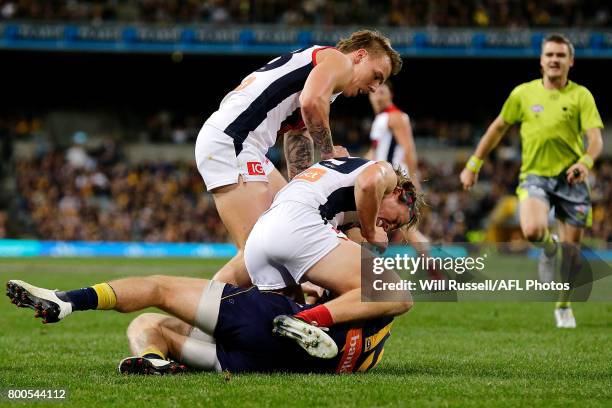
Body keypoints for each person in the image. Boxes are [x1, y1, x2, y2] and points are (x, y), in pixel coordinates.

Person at [196, 30, 403, 287]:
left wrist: (308, 187)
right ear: (360, 56)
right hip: (234, 140)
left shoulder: (322, 73)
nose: (374, 87)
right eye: (376, 76)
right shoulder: (339, 61)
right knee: (258, 254)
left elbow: (298, 135)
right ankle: (200, 322)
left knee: (292, 222)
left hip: (245, 145)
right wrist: (329, 155)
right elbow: (311, 102)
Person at [459, 33, 604, 328]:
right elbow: (497, 128)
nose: (554, 60)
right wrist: (473, 164)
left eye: (560, 55)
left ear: (570, 61)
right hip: (535, 176)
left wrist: (585, 162)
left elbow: (596, 140)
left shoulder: (581, 96)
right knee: (533, 229)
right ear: (541, 60)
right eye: (549, 54)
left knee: (573, 255)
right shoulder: (523, 94)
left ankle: (563, 306)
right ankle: (548, 248)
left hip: (572, 179)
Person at [6, 271, 395, 375]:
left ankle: (66, 301)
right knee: (149, 324)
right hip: (298, 360)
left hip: (276, 327)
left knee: (159, 287)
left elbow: (397, 296)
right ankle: (155, 360)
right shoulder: (364, 274)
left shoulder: (347, 249)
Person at [243, 157, 421, 355]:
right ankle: (306, 320)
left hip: (260, 236)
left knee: (275, 336)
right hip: (300, 223)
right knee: (395, 293)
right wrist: (370, 231)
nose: (388, 228)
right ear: (397, 191)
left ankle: (211, 344)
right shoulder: (386, 174)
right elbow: (369, 182)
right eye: (395, 220)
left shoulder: (344, 187)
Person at [367, 82, 443, 280]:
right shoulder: (381, 119)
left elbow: (408, 149)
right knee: (400, 228)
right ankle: (434, 271)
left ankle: (434, 272)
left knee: (406, 228)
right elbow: (374, 153)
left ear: (391, 94)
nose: (377, 96)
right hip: (381, 179)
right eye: (374, 92)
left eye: (382, 92)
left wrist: (414, 179)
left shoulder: (396, 117)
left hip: (394, 181)